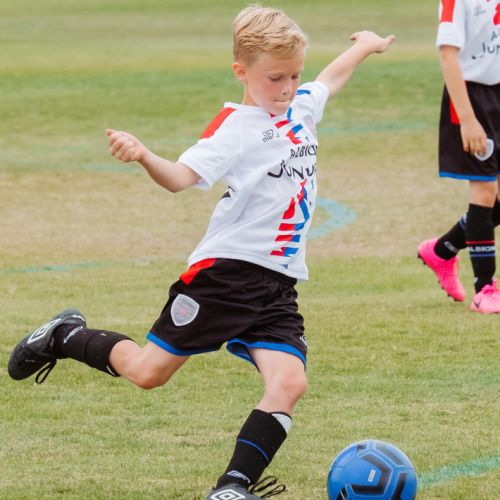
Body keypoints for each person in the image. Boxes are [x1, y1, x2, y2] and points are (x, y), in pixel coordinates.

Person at [8, 5, 394, 498]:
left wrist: (364, 46)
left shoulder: (299, 106)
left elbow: (329, 80)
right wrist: (145, 154)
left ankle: (232, 486)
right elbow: (181, 179)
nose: (287, 87)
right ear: (242, 72)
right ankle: (64, 336)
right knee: (149, 373)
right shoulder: (234, 129)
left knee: (289, 384)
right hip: (227, 275)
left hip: (278, 284)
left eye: (293, 75)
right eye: (275, 78)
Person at [418, 0, 500, 313]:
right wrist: (467, 119)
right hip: (469, 98)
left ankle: (442, 250)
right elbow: (447, 54)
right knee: (484, 189)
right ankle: (485, 290)